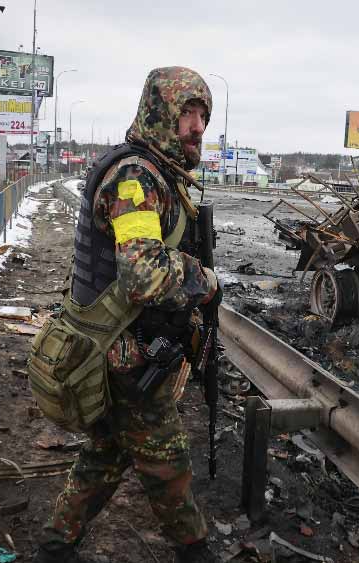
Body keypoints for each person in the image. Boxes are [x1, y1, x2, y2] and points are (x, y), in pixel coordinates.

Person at [34, 66, 220, 563]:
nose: (198, 126)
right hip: (121, 351)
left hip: (120, 345)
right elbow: (142, 274)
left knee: (106, 454)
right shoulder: (135, 179)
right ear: (160, 114)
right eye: (187, 113)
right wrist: (203, 279)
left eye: (203, 114)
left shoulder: (157, 174)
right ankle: (196, 550)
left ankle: (55, 547)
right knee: (165, 458)